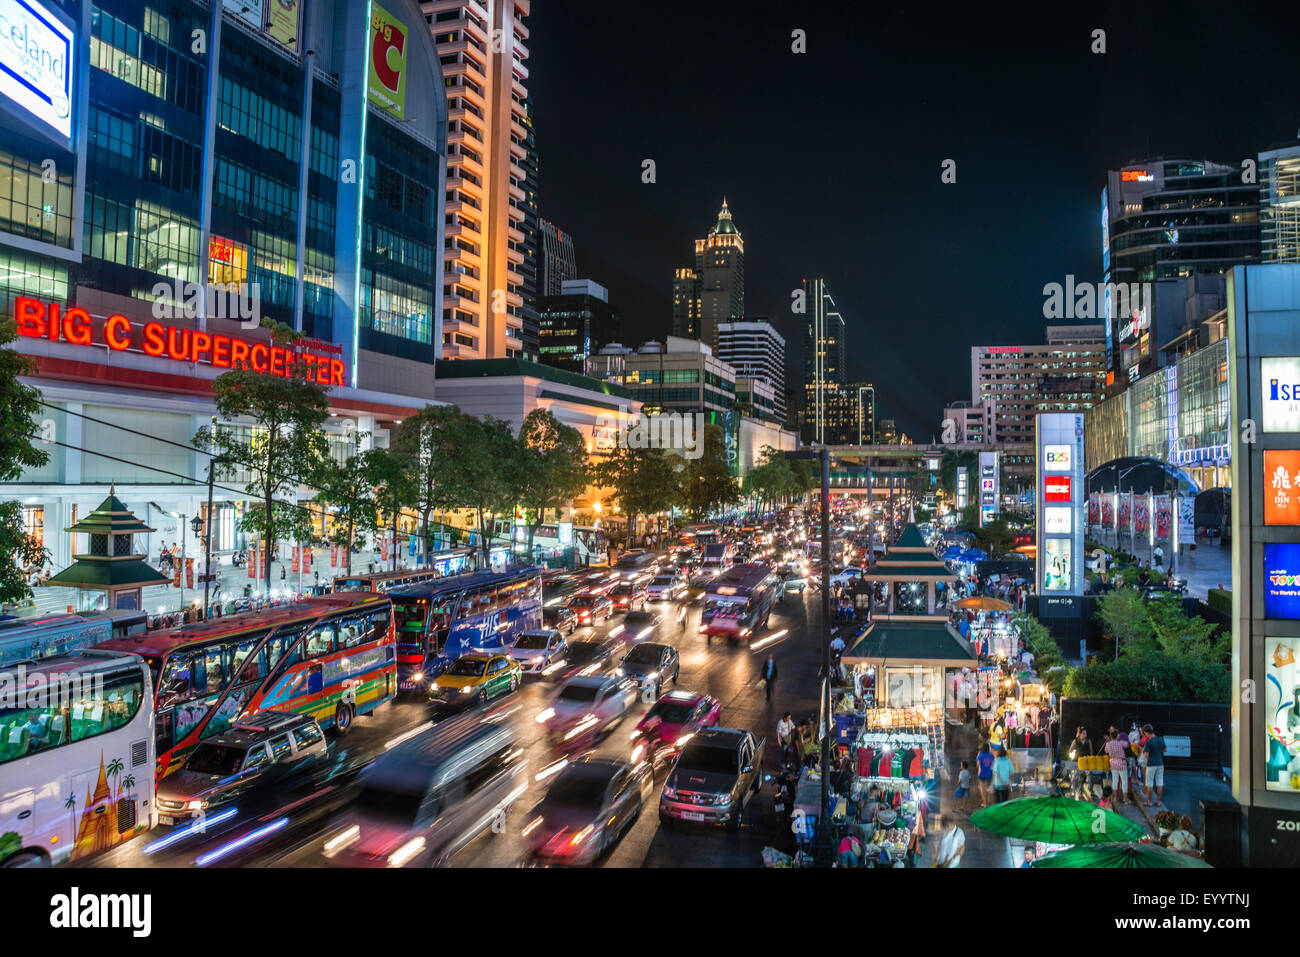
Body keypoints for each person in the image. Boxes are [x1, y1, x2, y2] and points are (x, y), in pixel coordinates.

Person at [1141, 723, 1167, 807]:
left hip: (1151, 764)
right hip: (1160, 763)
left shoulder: (1148, 742)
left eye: (1144, 733)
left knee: (1149, 783)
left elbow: (1146, 755)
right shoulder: (1160, 739)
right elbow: (1165, 750)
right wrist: (1157, 751)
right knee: (1159, 783)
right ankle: (1158, 802)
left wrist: (1146, 754)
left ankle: (1149, 801)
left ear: (1146, 732)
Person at [1103, 727, 1129, 804]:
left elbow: (1106, 751)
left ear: (1111, 736)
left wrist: (1109, 740)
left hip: (1113, 763)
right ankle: (1125, 799)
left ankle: (1115, 798)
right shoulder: (1121, 743)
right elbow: (1127, 745)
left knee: (1115, 781)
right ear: (1117, 736)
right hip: (1121, 762)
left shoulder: (1108, 744)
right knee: (1124, 782)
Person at [975, 742, 995, 807]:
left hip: (981, 774)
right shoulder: (991, 755)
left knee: (982, 788)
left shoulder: (980, 755)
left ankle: (985, 803)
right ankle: (989, 802)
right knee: (988, 788)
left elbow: (978, 765)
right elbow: (993, 765)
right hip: (989, 774)